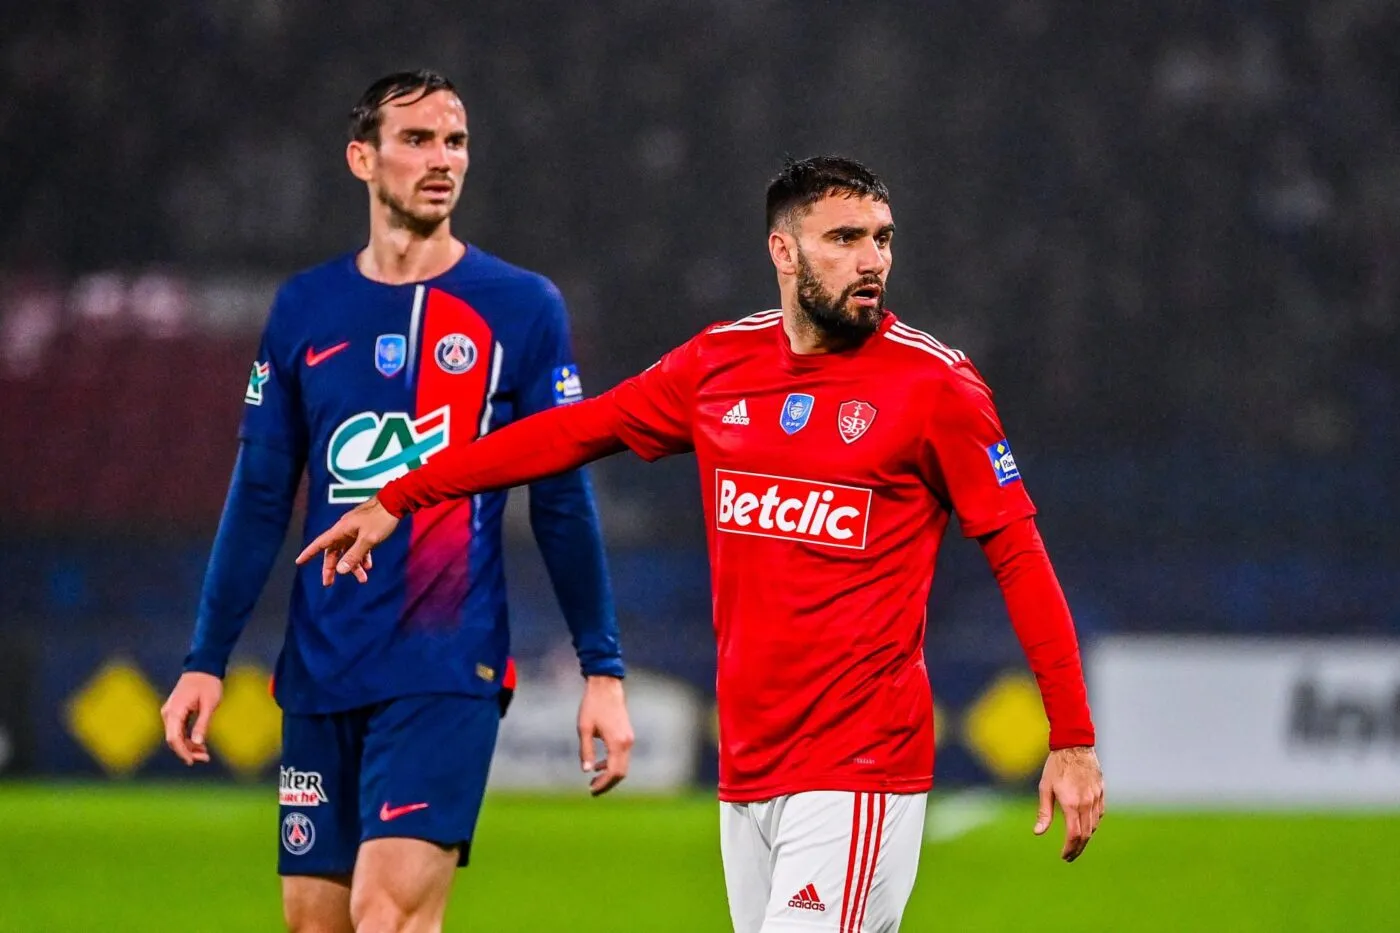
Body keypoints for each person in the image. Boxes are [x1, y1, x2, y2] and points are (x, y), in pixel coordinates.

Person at [299, 155, 1105, 932]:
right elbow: (578, 430)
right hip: (747, 769)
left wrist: (1071, 737)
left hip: (860, 768)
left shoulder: (935, 387)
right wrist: (404, 494)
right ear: (783, 251)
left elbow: (1019, 557)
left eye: (882, 238)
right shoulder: (719, 364)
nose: (872, 261)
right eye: (845, 238)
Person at [159, 70, 634, 933]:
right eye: (416, 140)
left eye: (455, 141)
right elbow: (261, 494)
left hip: (445, 665)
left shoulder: (520, 308)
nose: (442, 158)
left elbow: (563, 499)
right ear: (361, 159)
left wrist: (601, 667)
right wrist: (205, 656)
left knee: (388, 916)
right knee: (317, 924)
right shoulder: (305, 307)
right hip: (321, 665)